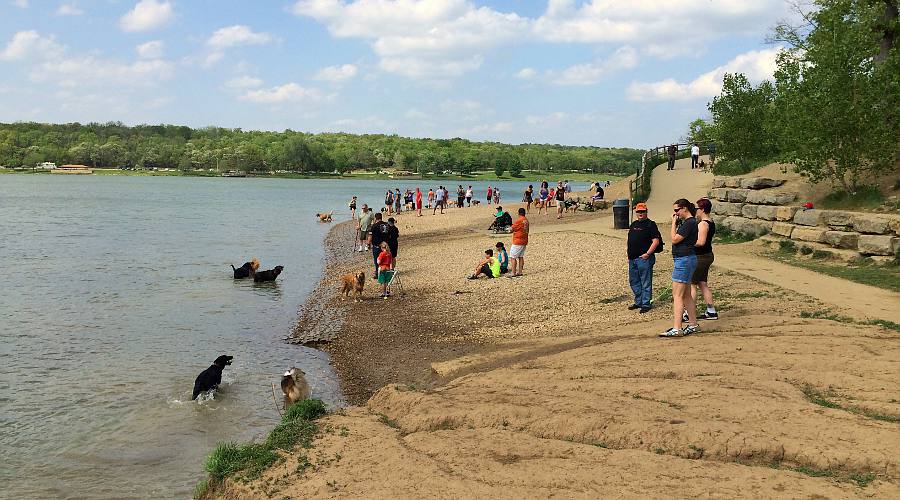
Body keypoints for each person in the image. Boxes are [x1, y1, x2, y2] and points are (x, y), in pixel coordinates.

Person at [661, 199, 700, 337]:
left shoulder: (689, 223)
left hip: (684, 260)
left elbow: (675, 239)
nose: (676, 213)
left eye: (677, 210)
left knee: (677, 295)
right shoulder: (691, 222)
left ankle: (677, 328)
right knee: (686, 295)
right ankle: (693, 323)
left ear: (684, 209)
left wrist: (673, 224)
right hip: (687, 259)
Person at [627, 203, 661, 313]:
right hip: (632, 258)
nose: (640, 213)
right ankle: (639, 301)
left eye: (643, 211)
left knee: (645, 282)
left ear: (646, 212)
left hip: (644, 258)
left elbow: (656, 241)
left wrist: (648, 253)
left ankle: (646, 303)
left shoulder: (651, 224)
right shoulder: (633, 224)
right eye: (639, 212)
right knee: (634, 281)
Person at [688, 198, 718, 320]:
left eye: (697, 208)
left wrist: (688, 243)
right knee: (702, 283)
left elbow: (700, 242)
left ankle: (688, 313)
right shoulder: (711, 222)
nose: (696, 211)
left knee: (692, 284)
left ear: (703, 209)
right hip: (707, 255)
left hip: (700, 257)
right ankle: (711, 311)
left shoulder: (703, 224)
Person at [368, 212, 391, 279]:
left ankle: (378, 273)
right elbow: (389, 234)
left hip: (377, 246)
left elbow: (370, 236)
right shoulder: (387, 225)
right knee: (386, 259)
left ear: (375, 218)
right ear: (381, 217)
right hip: (386, 245)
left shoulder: (374, 226)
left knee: (377, 260)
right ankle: (386, 271)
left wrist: (368, 244)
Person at [508, 207, 528, 277]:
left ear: (519, 213)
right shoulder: (526, 220)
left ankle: (513, 273)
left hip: (518, 241)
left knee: (512, 257)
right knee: (520, 256)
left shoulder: (519, 220)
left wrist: (510, 230)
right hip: (524, 240)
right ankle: (520, 272)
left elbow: (511, 229)